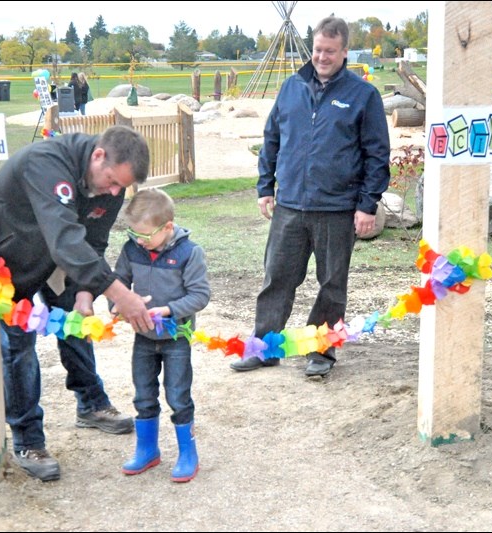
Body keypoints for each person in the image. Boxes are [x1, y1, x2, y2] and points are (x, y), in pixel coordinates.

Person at [229, 16, 391, 378]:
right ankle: (264, 348)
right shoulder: (291, 88)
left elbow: (377, 154)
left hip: (336, 208)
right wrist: (264, 187)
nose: (322, 57)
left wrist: (368, 205)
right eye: (318, 49)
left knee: (332, 285)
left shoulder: (363, 95)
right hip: (289, 206)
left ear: (345, 52)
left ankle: (321, 351)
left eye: (330, 51)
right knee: (276, 279)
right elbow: (272, 139)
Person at [0, 126, 155, 481]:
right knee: (19, 347)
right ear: (98, 156)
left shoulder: (111, 183)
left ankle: (91, 404)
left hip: (57, 262)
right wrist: (119, 293)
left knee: (76, 322)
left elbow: (93, 242)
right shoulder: (46, 162)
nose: (113, 193)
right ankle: (28, 440)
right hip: (8, 264)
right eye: (112, 181)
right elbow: (65, 237)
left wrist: (86, 292)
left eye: (121, 187)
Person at [112, 189, 211, 483]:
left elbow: (200, 295)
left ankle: (187, 453)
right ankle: (147, 449)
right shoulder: (131, 250)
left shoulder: (189, 253)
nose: (139, 240)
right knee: (143, 393)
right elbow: (117, 281)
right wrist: (117, 304)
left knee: (178, 395)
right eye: (133, 232)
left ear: (168, 227)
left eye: (145, 234)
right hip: (143, 336)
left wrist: (167, 310)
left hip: (175, 338)